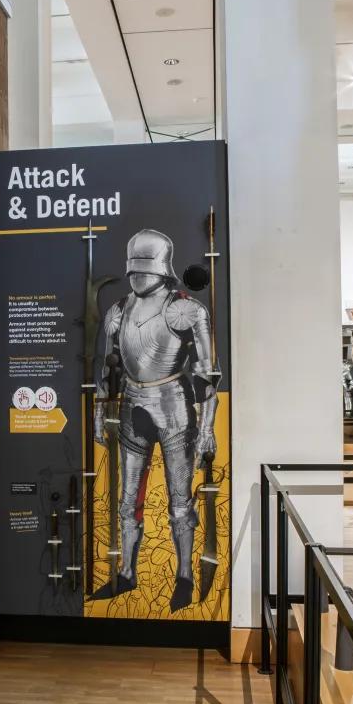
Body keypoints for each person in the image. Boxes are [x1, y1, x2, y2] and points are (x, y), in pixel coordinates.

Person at [91, 229, 218, 612]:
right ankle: (127, 573)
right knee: (128, 500)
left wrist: (207, 426)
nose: (138, 276)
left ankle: (183, 576)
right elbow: (105, 368)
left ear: (162, 268)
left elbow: (208, 374)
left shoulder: (186, 309)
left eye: (144, 269)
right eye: (135, 269)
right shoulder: (118, 310)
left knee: (180, 503)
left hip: (174, 406)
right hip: (132, 403)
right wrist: (100, 410)